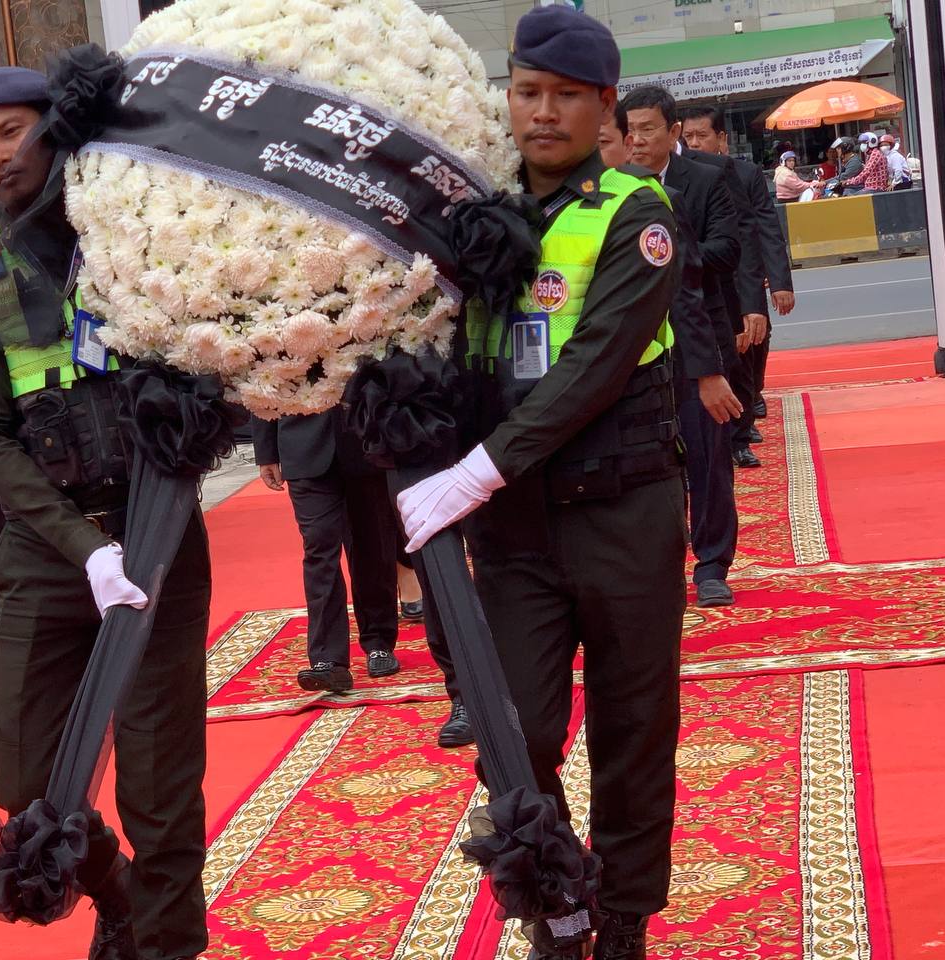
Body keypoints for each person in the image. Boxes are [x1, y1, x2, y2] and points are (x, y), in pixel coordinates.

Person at [398, 8, 686, 957]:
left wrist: (474, 471)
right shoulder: (472, 212)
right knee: (512, 730)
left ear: (605, 106)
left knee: (632, 726)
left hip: (623, 509)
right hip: (514, 527)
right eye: (528, 93)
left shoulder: (636, 215)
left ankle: (626, 917)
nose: (544, 113)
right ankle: (557, 902)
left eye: (567, 96)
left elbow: (596, 365)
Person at [0, 66, 212, 960]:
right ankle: (117, 893)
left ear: (54, 127)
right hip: (50, 552)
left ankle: (168, 946)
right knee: (24, 780)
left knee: (160, 788)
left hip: (158, 538)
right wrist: (84, 549)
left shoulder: (133, 232)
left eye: (11, 132)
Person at [620, 90, 744, 609]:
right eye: (629, 130)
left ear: (673, 132)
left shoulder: (706, 180)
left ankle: (712, 563)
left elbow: (728, 251)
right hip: (636, 348)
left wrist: (668, 256)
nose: (636, 139)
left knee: (708, 456)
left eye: (648, 128)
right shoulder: (612, 191)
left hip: (698, 336)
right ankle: (655, 565)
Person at [253, 412, 401, 691]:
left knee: (373, 544)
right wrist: (266, 451)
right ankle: (327, 658)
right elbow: (259, 388)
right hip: (301, 444)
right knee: (318, 546)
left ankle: (379, 641)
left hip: (365, 439)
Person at [680, 104, 795, 426]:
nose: (694, 143)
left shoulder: (744, 174)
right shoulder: (678, 177)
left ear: (721, 138)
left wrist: (779, 282)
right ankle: (737, 420)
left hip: (743, 271)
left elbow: (764, 228)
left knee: (755, 337)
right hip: (705, 273)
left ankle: (752, 393)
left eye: (701, 135)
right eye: (688, 136)